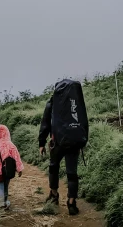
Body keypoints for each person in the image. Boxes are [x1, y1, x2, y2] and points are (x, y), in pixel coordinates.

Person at [38, 79, 89, 216]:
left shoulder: (53, 102)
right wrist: (82, 141)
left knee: (53, 167)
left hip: (57, 143)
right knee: (72, 173)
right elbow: (84, 120)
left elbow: (45, 123)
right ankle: (71, 203)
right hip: (74, 142)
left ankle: (54, 195)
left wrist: (42, 143)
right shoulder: (77, 101)